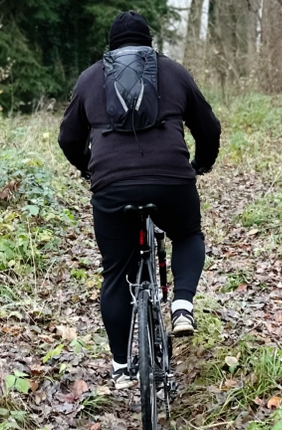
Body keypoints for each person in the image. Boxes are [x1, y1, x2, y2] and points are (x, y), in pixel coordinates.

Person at [57, 10, 221, 390]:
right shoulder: (174, 72)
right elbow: (208, 128)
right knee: (187, 234)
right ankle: (182, 305)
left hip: (112, 186)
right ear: (149, 43)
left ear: (111, 46)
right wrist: (200, 165)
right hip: (171, 180)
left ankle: (119, 368)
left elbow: (68, 139)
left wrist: (89, 169)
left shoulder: (90, 78)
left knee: (117, 273)